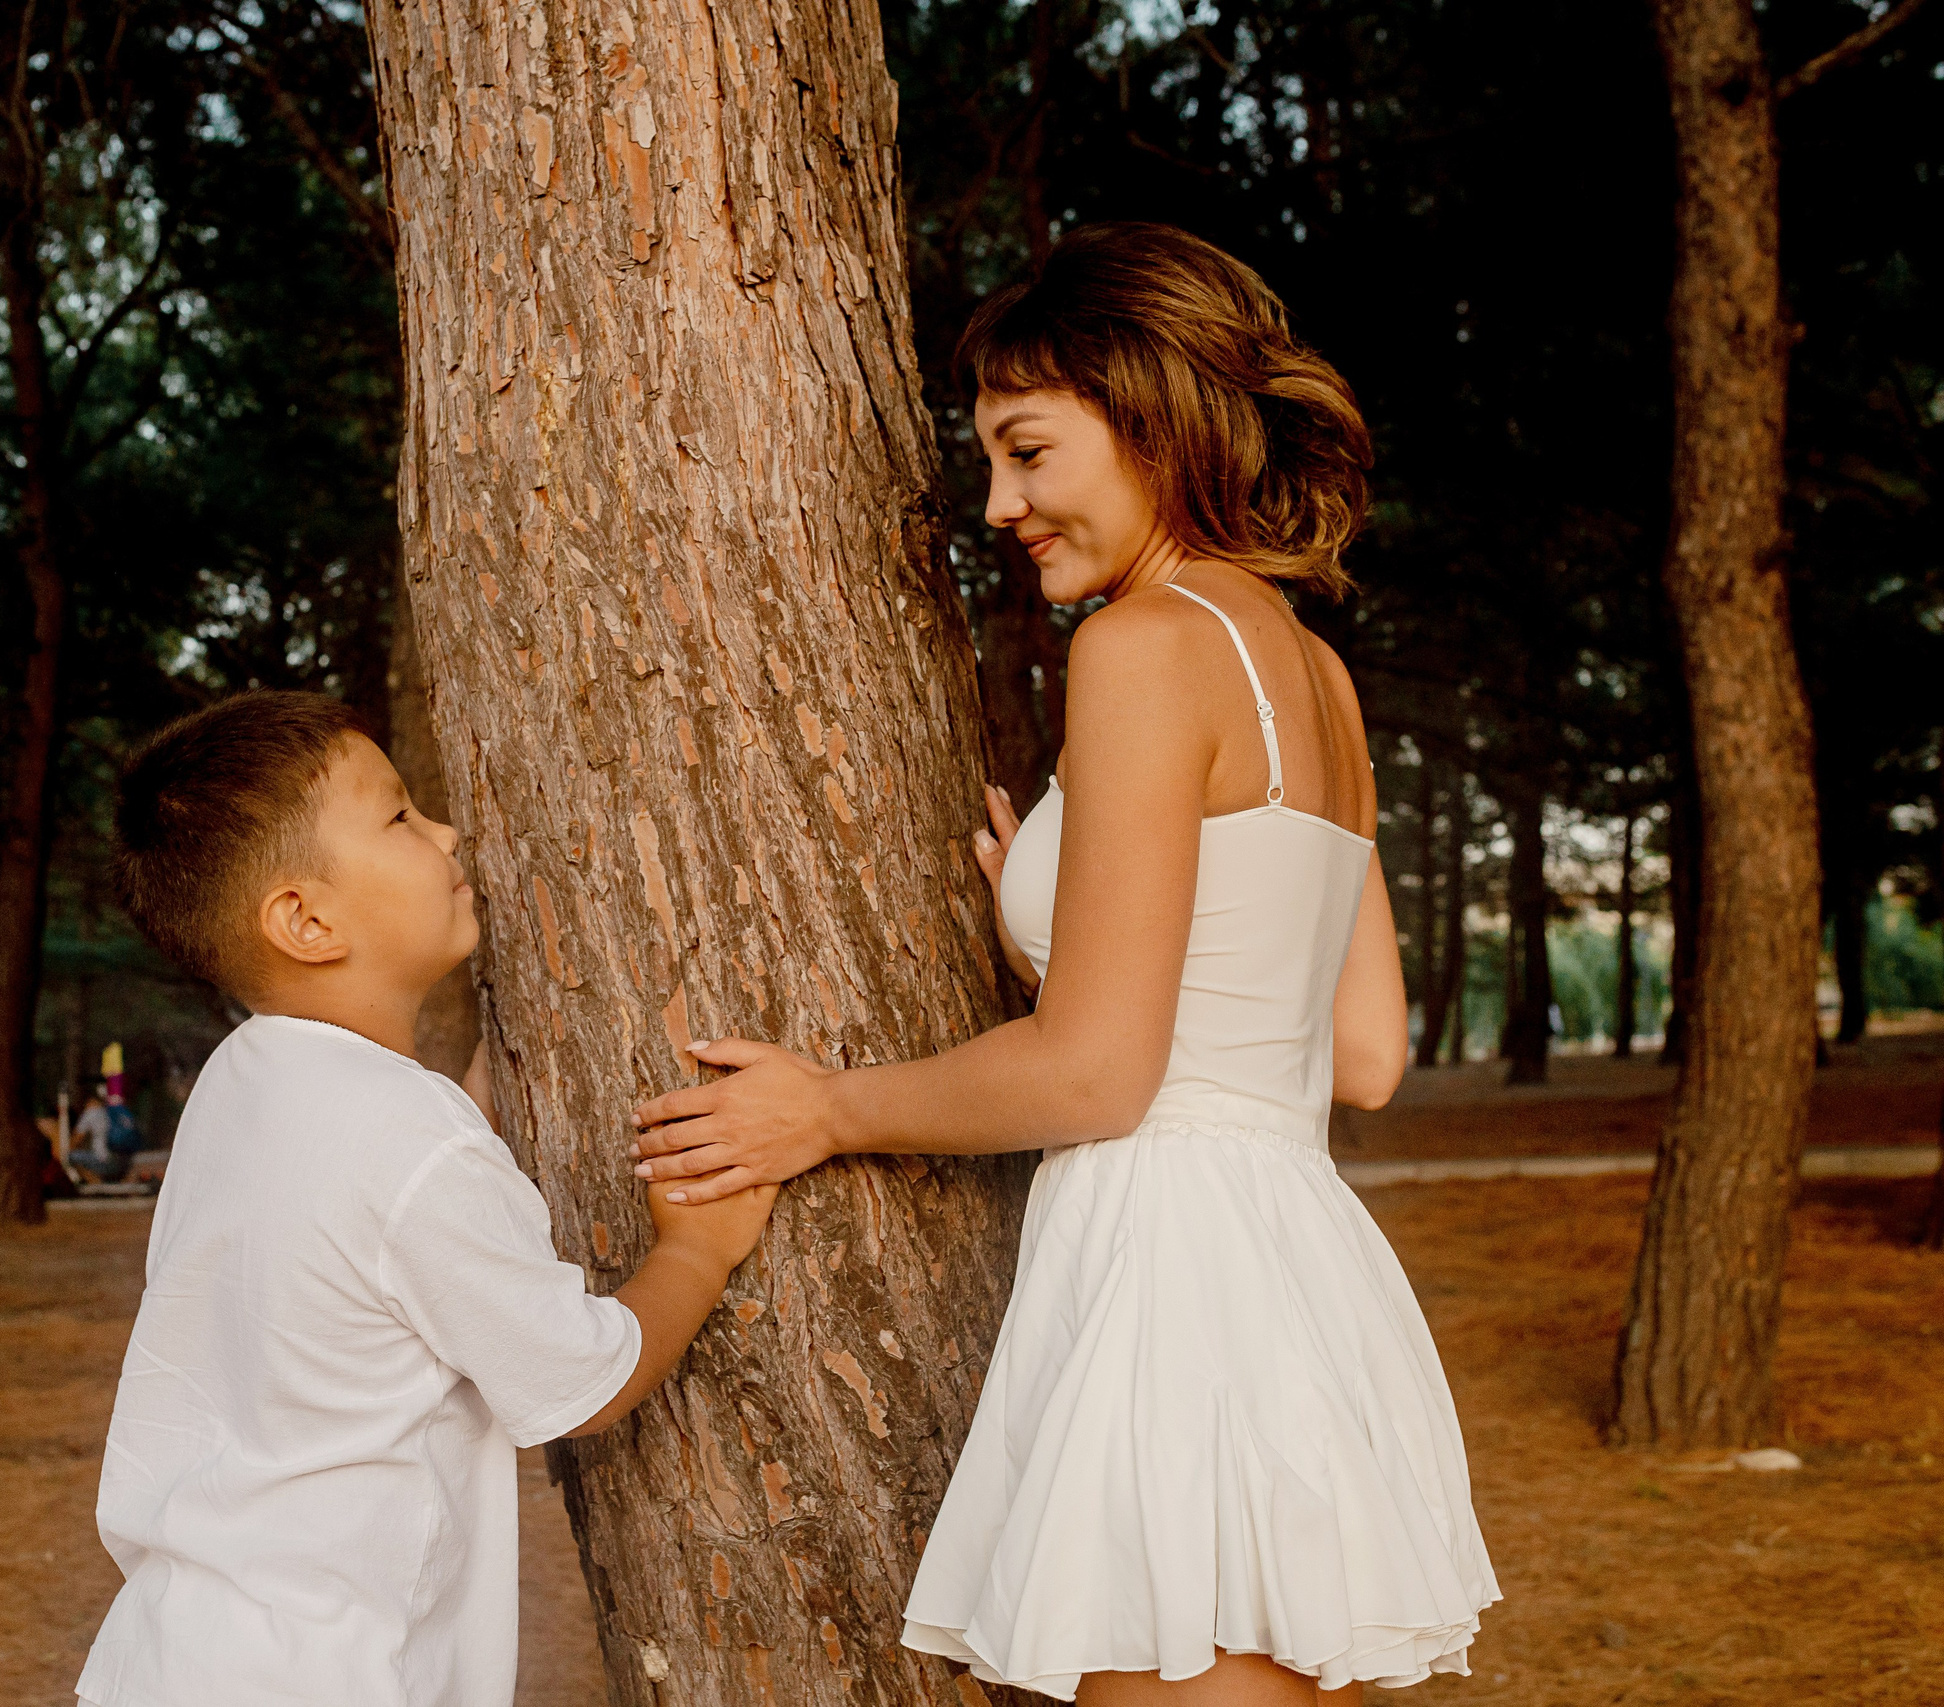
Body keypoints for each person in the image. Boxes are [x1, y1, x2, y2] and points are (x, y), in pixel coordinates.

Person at [629, 224, 1499, 1703]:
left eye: (1028, 451)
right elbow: (1362, 1054)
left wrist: (823, 1108)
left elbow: (1100, 1076)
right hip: (1297, 1261)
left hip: (1173, 1278)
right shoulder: (1314, 672)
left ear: (1154, 418)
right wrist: (1075, 932)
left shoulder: (1144, 643)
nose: (999, 504)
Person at [75, 690, 776, 1707]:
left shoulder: (241, 1081)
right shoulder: (410, 1139)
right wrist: (697, 1250)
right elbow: (579, 1380)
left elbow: (355, 1217)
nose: (446, 832)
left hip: (169, 1655)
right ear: (307, 921)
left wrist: (472, 1111)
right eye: (400, 816)